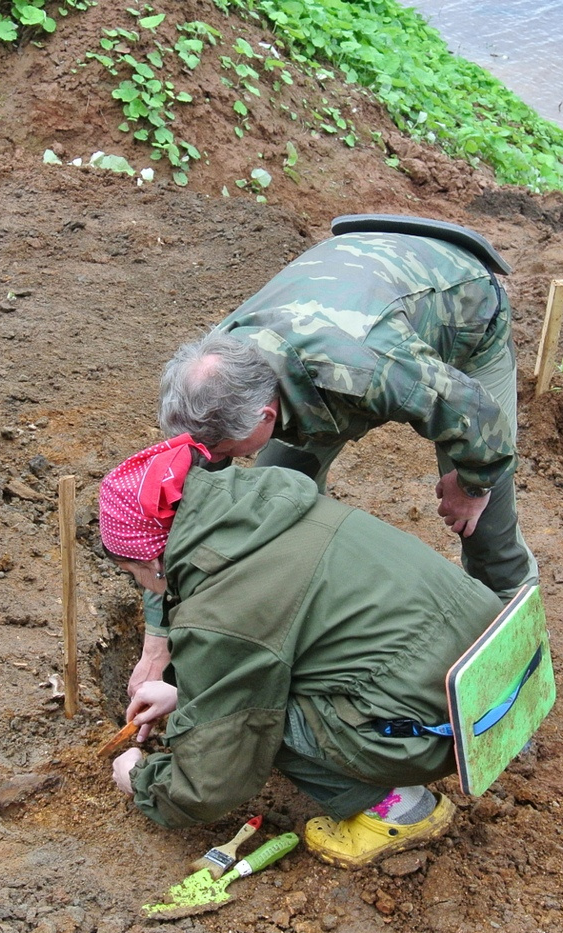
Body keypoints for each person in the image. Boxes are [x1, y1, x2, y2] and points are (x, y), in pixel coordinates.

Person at [130, 219, 539, 695]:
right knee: (274, 502)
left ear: (264, 418)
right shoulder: (217, 373)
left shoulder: (369, 369)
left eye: (221, 453)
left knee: (488, 534)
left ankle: (519, 681)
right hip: (351, 292)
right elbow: (178, 515)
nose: (212, 461)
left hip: (460, 304)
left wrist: (471, 485)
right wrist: (158, 638)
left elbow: (478, 419)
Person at [98, 433, 504, 867]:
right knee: (261, 690)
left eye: (132, 573)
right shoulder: (271, 508)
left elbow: (214, 778)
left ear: (152, 558)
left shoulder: (222, 606)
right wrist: (186, 694)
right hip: (497, 674)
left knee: (255, 721)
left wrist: (141, 779)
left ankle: (398, 810)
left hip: (446, 728)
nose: (142, 586)